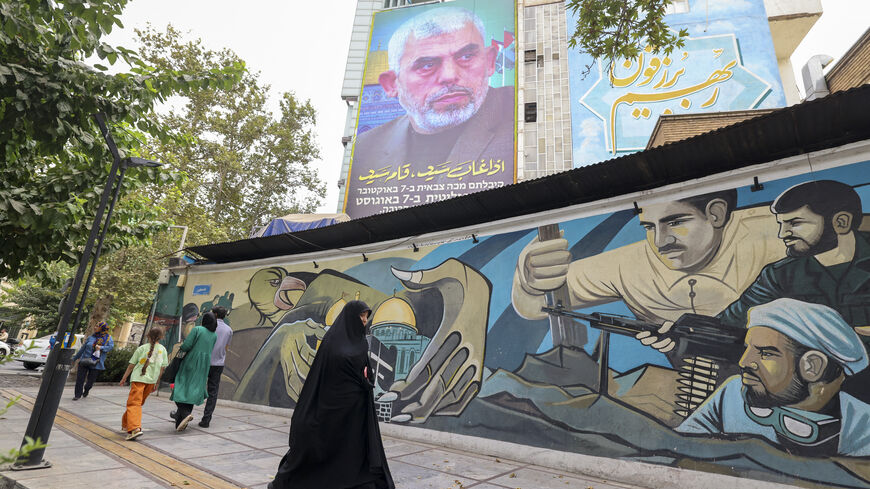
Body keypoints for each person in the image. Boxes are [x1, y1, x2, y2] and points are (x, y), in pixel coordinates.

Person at [512, 190, 784, 328]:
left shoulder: (777, 232)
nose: (660, 241)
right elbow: (536, 305)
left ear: (716, 214)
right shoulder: (628, 266)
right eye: (650, 227)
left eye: (675, 222)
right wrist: (528, 279)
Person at [677, 298, 870, 457]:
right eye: (747, 349)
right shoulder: (732, 393)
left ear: (812, 366)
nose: (744, 362)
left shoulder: (864, 428)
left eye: (765, 353)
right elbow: (681, 447)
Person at [350, 7, 513, 190]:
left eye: (466, 57)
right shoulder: (365, 150)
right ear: (392, 84)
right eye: (427, 65)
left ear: (489, 62)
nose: (449, 76)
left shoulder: (519, 116)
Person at [268, 300, 394, 489]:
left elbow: (365, 373)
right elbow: (324, 373)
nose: (364, 320)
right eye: (361, 315)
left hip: (354, 410)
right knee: (321, 445)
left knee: (351, 448)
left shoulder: (361, 342)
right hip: (331, 406)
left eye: (366, 316)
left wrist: (366, 380)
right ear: (350, 316)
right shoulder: (332, 342)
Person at [170, 311, 217, 432]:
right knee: (192, 390)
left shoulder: (197, 329)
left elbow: (186, 346)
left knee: (180, 386)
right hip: (204, 365)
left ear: (204, 320)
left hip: (191, 361)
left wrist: (181, 346)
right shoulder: (214, 335)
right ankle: (181, 422)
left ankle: (185, 414)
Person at [119, 327, 168, 441]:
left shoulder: (142, 348)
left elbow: (131, 365)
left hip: (138, 379)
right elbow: (162, 369)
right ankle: (128, 426)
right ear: (161, 337)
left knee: (134, 403)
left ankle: (133, 428)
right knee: (136, 403)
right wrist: (157, 382)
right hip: (151, 381)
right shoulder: (163, 350)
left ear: (148, 336)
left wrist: (124, 378)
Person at [199, 306, 233, 428]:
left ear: (216, 315)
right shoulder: (229, 330)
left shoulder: (207, 327)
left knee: (195, 386)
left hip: (204, 362)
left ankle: (185, 413)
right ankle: (206, 419)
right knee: (213, 392)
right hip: (218, 364)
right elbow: (226, 348)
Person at [72, 321, 114, 400]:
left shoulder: (108, 338)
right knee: (80, 379)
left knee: (90, 382)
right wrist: (74, 358)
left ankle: (86, 389)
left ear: (102, 328)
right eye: (95, 325)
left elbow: (110, 347)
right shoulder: (91, 337)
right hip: (84, 361)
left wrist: (101, 347)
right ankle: (77, 395)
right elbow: (82, 349)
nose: (95, 327)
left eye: (97, 326)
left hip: (96, 363)